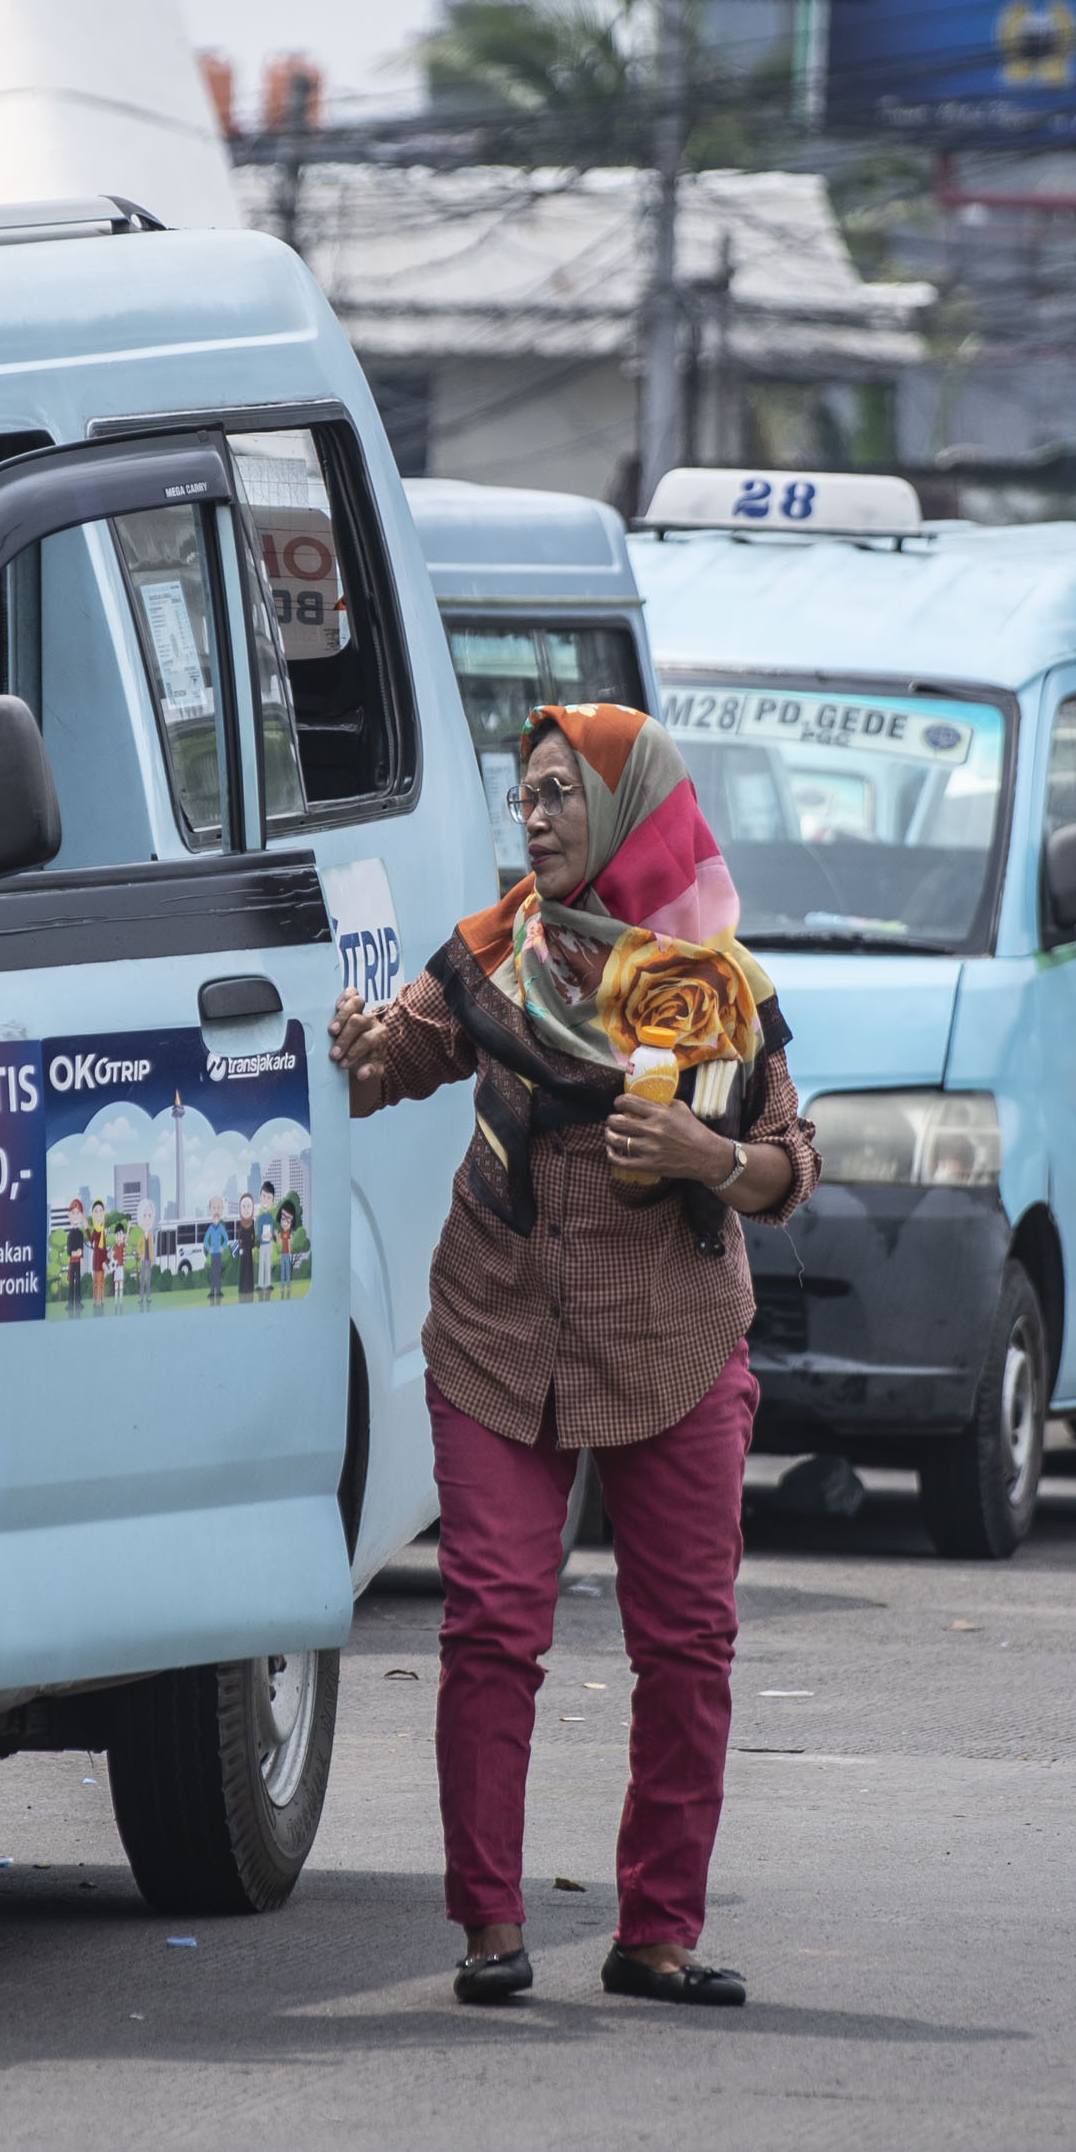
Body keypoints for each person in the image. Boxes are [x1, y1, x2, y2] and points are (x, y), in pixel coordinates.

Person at [330, 702, 816, 2009]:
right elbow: (399, 1057)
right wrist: (364, 1054)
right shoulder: (498, 955)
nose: (535, 820)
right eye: (526, 799)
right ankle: (490, 1930)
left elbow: (792, 1166)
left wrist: (707, 1158)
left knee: (689, 1640)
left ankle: (657, 1931)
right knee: (491, 1620)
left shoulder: (715, 983)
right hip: (499, 1325)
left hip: (673, 1334)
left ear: (621, 813)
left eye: (559, 797)